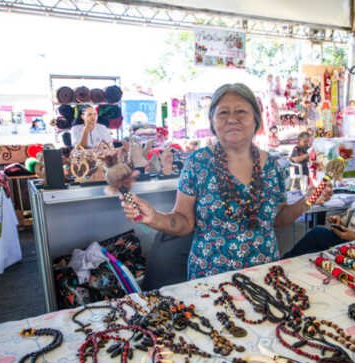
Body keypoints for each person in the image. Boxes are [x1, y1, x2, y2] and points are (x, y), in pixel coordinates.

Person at [121, 83, 333, 279]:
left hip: (263, 276)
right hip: (210, 280)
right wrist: (154, 218)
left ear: (256, 119)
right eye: (223, 112)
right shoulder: (198, 163)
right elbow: (184, 222)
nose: (232, 119)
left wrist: (309, 199)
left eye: (241, 111)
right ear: (212, 121)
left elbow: (279, 219)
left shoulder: (272, 166)